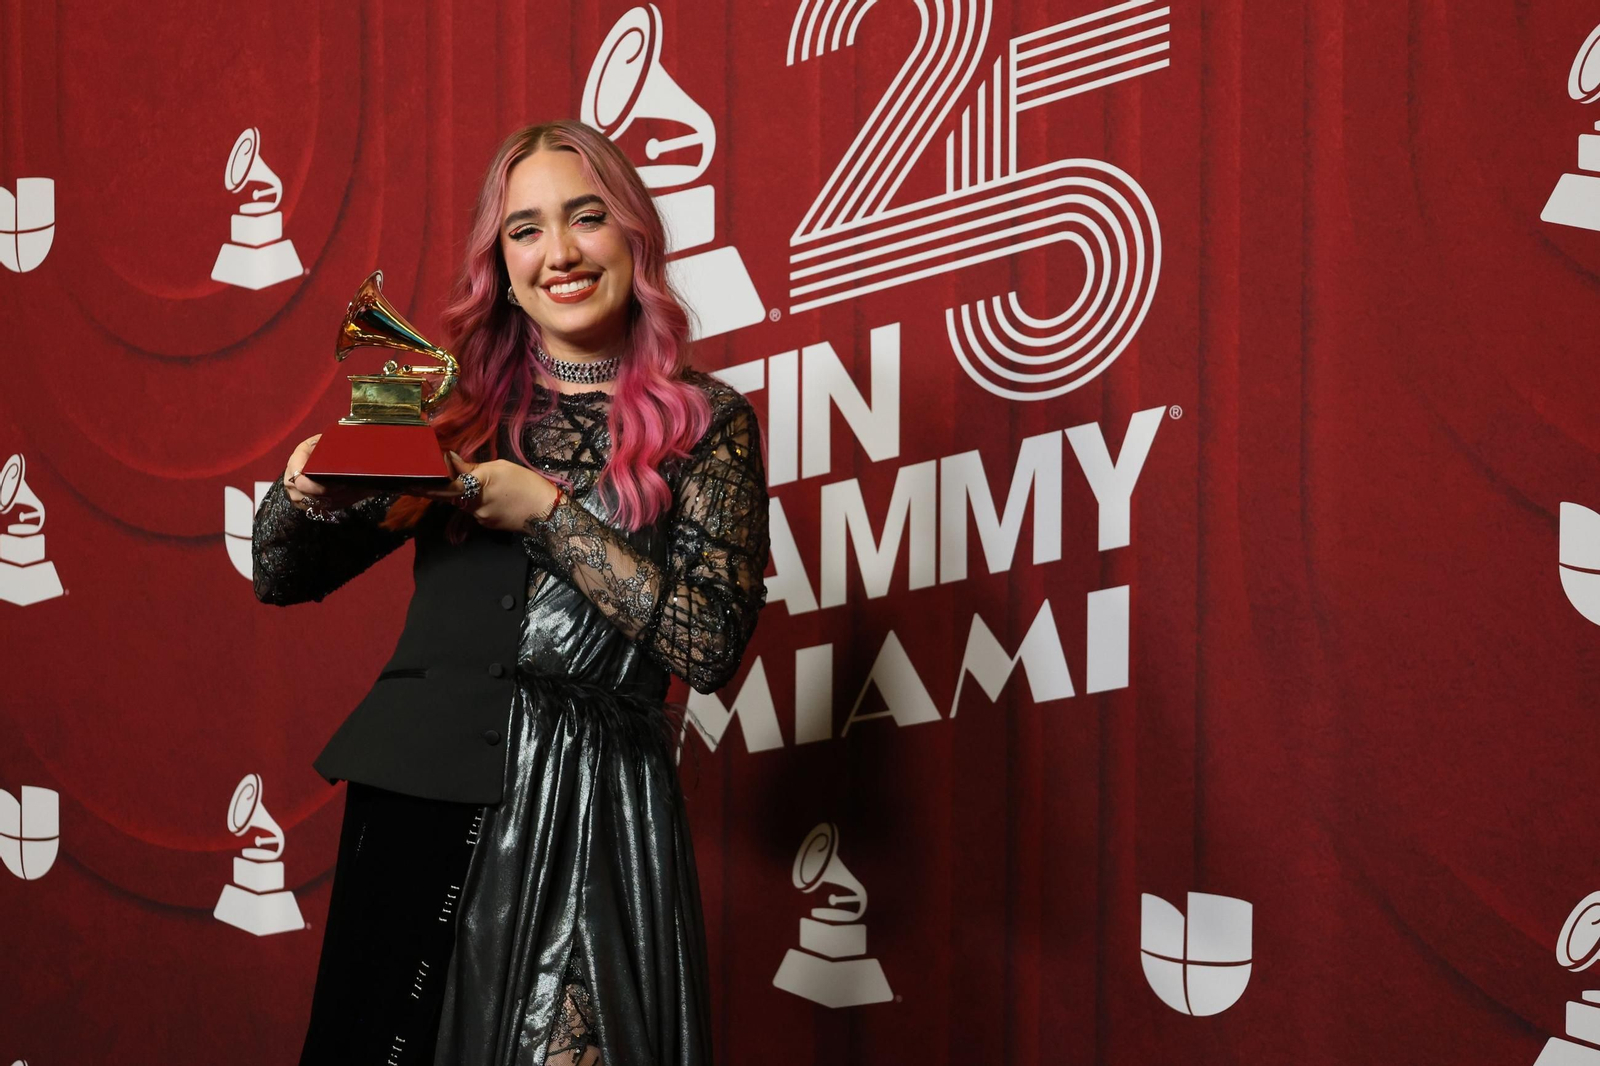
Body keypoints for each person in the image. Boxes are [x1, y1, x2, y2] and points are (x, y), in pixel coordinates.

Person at [251, 120, 771, 1066]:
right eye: (525, 229)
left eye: (587, 218)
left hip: (597, 809)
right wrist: (302, 492)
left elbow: (709, 646)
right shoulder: (454, 422)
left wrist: (546, 512)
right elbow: (280, 577)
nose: (560, 253)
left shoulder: (710, 423)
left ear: (636, 238)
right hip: (424, 799)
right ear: (501, 260)